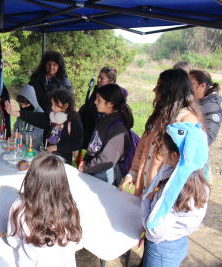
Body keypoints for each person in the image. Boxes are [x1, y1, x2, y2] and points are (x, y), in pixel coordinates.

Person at [120, 68, 205, 197]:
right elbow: (142, 147)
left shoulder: (187, 121)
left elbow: (182, 166)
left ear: (171, 89)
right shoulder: (161, 114)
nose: (155, 90)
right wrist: (133, 173)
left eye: (159, 86)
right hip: (145, 192)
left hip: (161, 195)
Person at [141, 124, 209, 266]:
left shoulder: (176, 191)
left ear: (174, 155)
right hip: (178, 242)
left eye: (163, 149)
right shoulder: (194, 178)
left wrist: (146, 203)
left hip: (161, 250)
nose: (160, 151)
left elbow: (154, 231)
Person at [7, 153, 82, 266]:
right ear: (62, 181)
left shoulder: (20, 207)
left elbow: (13, 239)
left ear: (31, 179)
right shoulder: (71, 207)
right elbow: (74, 240)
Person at [5, 89, 83, 165]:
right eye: (52, 104)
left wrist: (58, 147)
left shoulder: (74, 122)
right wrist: (16, 113)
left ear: (66, 106)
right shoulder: (51, 117)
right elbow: (35, 117)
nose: (52, 107)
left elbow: (77, 143)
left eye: (55, 104)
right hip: (48, 158)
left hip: (63, 162)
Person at [78, 84, 133, 186]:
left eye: (99, 100)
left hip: (105, 175)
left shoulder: (118, 129)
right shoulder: (105, 117)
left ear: (110, 104)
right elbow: (95, 142)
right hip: (95, 169)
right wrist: (86, 160)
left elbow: (107, 159)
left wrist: (87, 167)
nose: (95, 102)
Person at [78, 67, 128, 158]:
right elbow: (89, 104)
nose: (98, 80)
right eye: (98, 77)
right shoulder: (97, 89)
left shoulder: (116, 95)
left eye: (102, 78)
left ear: (111, 81)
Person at [189, 70, 221, 145]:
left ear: (202, 86)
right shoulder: (194, 102)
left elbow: (208, 138)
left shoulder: (212, 108)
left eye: (191, 84)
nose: (187, 87)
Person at [12, 84, 44, 150]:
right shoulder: (21, 111)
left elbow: (37, 133)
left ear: (32, 101)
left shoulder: (40, 113)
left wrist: (21, 136)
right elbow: (16, 126)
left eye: (26, 104)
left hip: (34, 148)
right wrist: (16, 135)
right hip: (20, 145)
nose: (23, 106)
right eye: (21, 104)